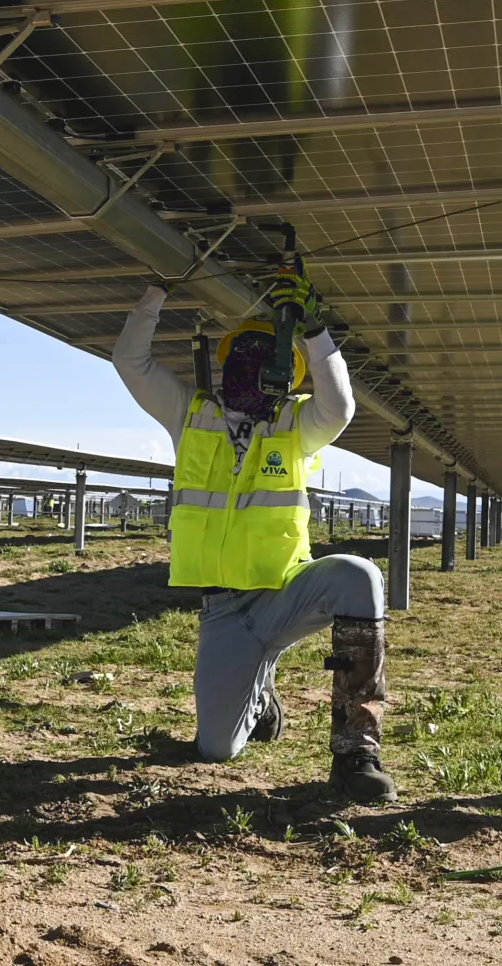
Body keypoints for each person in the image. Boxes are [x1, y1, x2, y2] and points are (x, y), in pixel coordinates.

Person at [112, 267, 395, 802]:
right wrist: (158, 288)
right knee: (217, 750)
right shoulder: (189, 417)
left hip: (286, 592)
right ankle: (260, 696)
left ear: (288, 374)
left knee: (361, 576)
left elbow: (340, 407)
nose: (254, 366)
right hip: (225, 613)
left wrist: (314, 330)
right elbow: (130, 361)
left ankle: (356, 750)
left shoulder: (297, 425)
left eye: (269, 359)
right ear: (225, 366)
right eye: (244, 354)